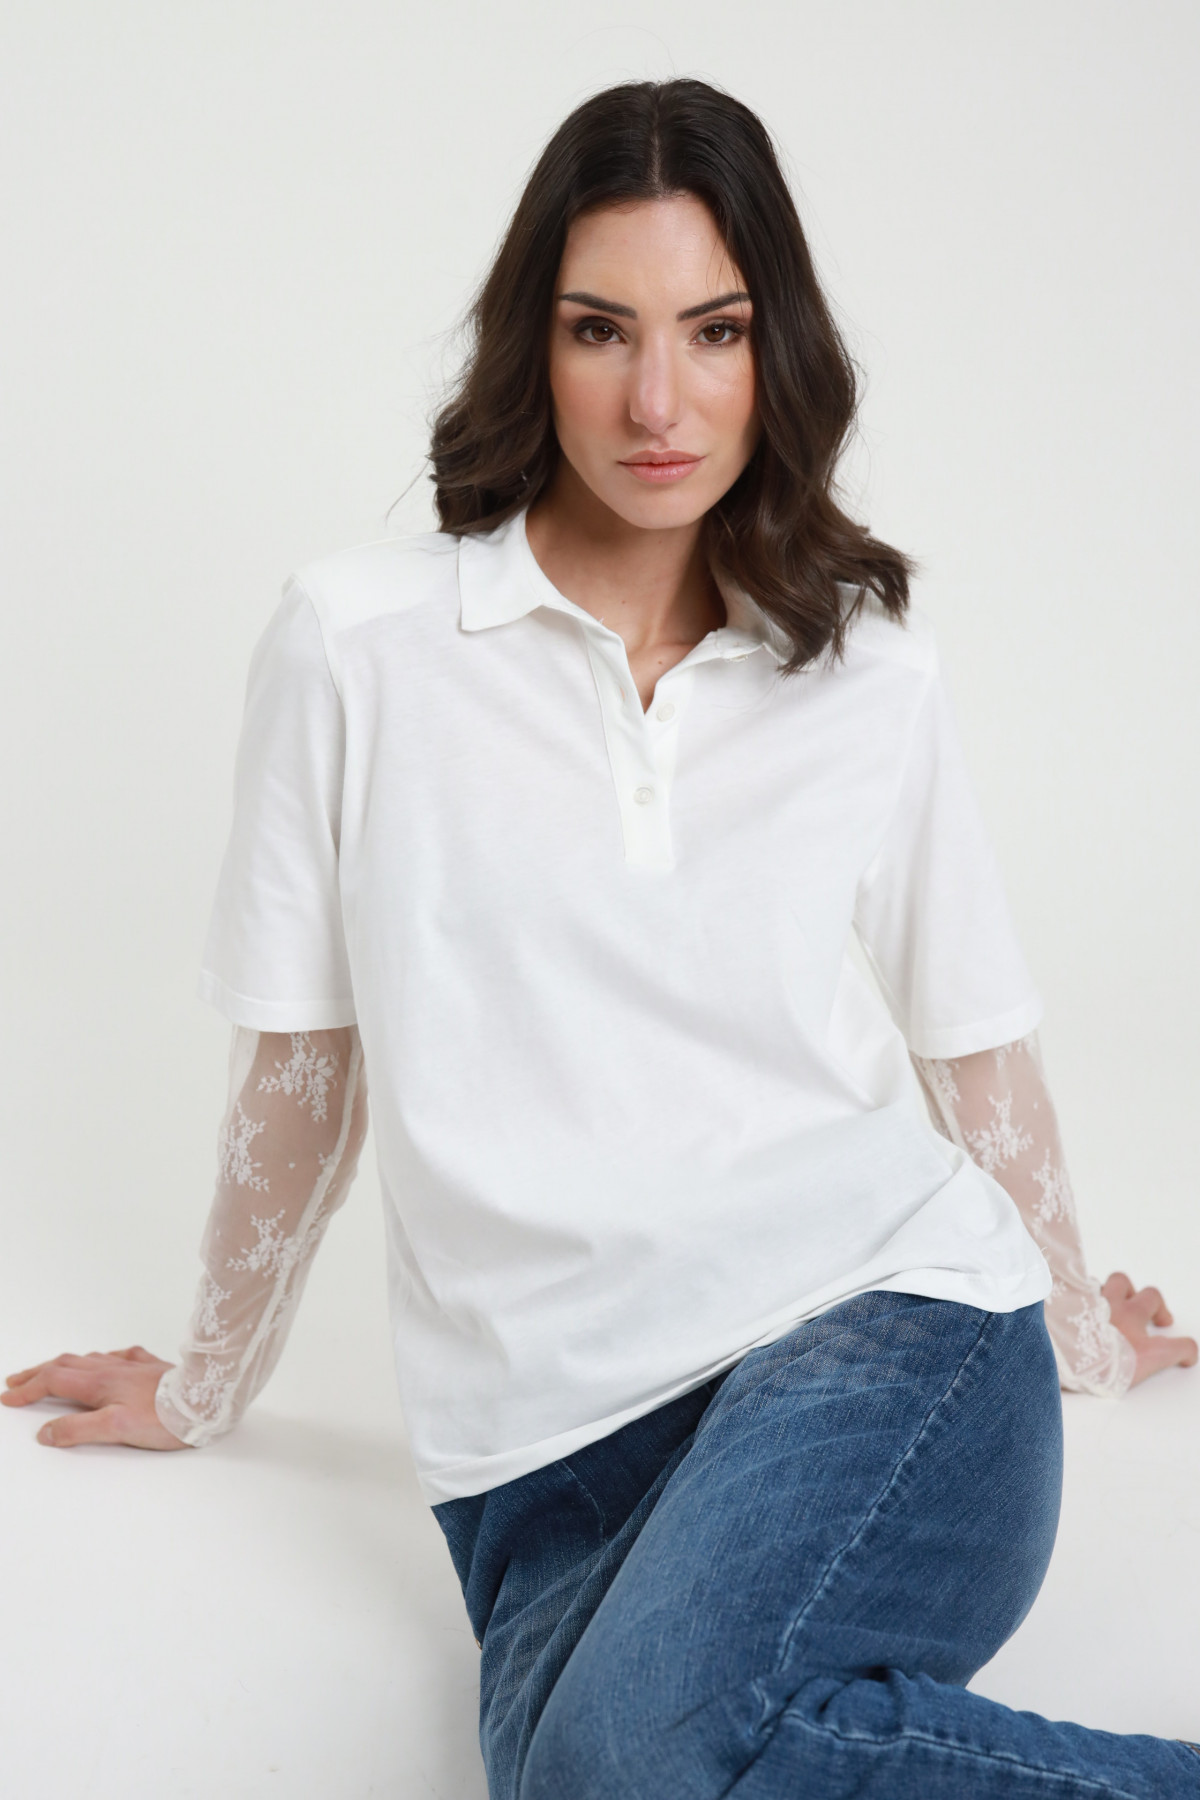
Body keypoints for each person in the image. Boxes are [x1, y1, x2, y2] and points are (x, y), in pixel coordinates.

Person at [4, 77, 1198, 1798]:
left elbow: (973, 1043)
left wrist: (1081, 1331)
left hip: (885, 1338)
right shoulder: (358, 646)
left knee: (636, 1759)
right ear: (532, 346)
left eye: (715, 332)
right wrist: (207, 1382)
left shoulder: (867, 669)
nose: (658, 402)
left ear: (775, 352)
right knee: (595, 1777)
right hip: (536, 1461)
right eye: (599, 330)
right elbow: (304, 1071)